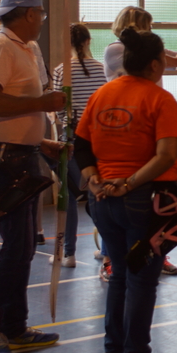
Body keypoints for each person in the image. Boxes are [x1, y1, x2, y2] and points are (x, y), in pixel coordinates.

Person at [75, 28, 177, 353]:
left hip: (103, 200)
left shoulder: (102, 93)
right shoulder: (160, 98)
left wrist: (95, 179)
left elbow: (81, 146)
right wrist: (129, 183)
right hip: (145, 198)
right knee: (141, 279)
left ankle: (113, 351)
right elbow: (165, 154)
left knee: (120, 275)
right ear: (155, 64)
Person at [0, 0, 66, 353]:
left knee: (24, 248)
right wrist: (42, 102)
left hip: (21, 155)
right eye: (40, 14)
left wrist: (40, 142)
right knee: (15, 248)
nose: (42, 20)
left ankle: (14, 325)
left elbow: (15, 110)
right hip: (3, 161)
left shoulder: (25, 47)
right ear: (29, 14)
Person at [101, 5, 177, 277]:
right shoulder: (116, 50)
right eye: (147, 27)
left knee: (154, 199)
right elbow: (151, 56)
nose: (150, 32)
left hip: (148, 124)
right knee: (118, 198)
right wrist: (175, 59)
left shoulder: (153, 66)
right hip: (125, 127)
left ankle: (156, 249)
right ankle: (110, 258)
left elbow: (161, 55)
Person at [50, 24, 106, 268]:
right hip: (97, 137)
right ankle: (106, 249)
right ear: (88, 41)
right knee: (98, 192)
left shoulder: (61, 70)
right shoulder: (101, 69)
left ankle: (69, 253)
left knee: (70, 195)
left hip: (72, 138)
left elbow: (57, 106)